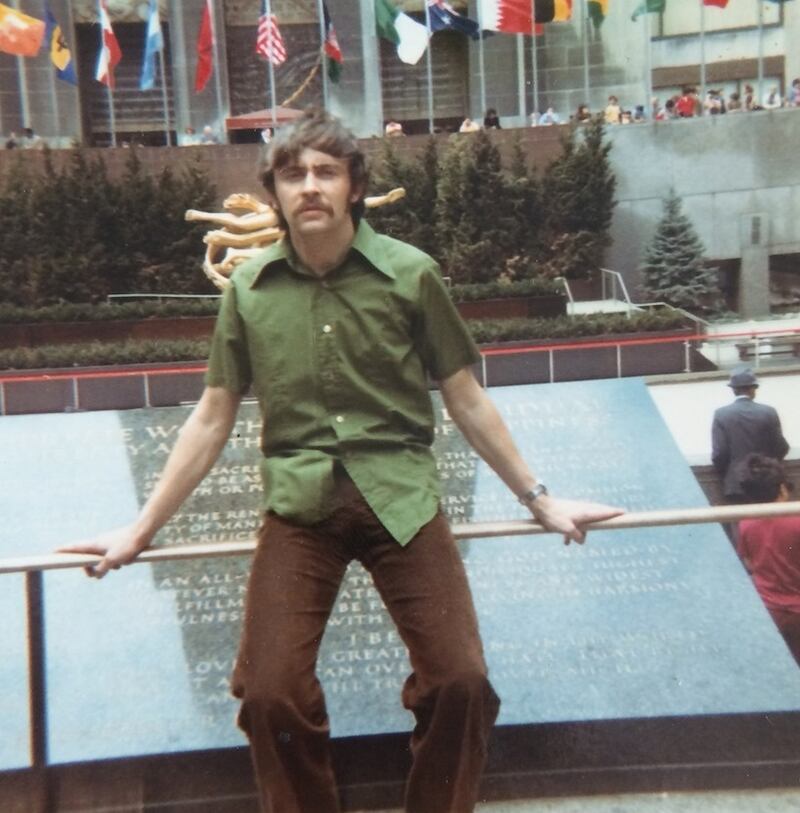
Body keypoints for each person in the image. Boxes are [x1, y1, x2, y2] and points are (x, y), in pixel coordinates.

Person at [59, 108, 622, 813]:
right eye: (293, 174)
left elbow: (466, 397)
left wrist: (540, 498)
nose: (310, 186)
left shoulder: (411, 274)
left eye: (326, 171)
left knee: (461, 682)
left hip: (402, 501)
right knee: (269, 694)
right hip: (301, 511)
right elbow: (211, 416)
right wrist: (140, 530)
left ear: (355, 186)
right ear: (274, 193)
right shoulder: (249, 289)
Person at [736, 454, 800, 666]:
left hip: (769, 608)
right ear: (782, 488)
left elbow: (749, 563)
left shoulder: (746, 523)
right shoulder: (796, 520)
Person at [711, 366, 790, 503]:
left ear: (734, 390)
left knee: (741, 517)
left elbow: (720, 453)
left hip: (736, 485)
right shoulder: (768, 412)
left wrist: (728, 474)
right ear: (753, 389)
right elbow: (781, 447)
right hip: (767, 484)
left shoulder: (721, 414)